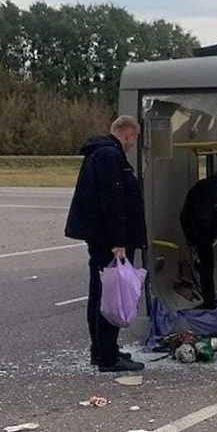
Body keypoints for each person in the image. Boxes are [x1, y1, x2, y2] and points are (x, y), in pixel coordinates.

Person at [65, 115, 147, 372]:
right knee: (111, 294)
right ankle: (108, 356)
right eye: (134, 139)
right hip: (109, 240)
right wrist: (119, 241)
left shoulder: (97, 154)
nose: (133, 144)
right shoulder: (111, 157)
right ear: (129, 134)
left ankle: (100, 350)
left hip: (98, 236)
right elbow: (114, 202)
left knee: (99, 293)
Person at [180, 169, 217, 309]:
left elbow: (184, 215)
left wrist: (191, 240)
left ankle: (209, 301)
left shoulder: (199, 186)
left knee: (206, 264)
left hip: (201, 222)